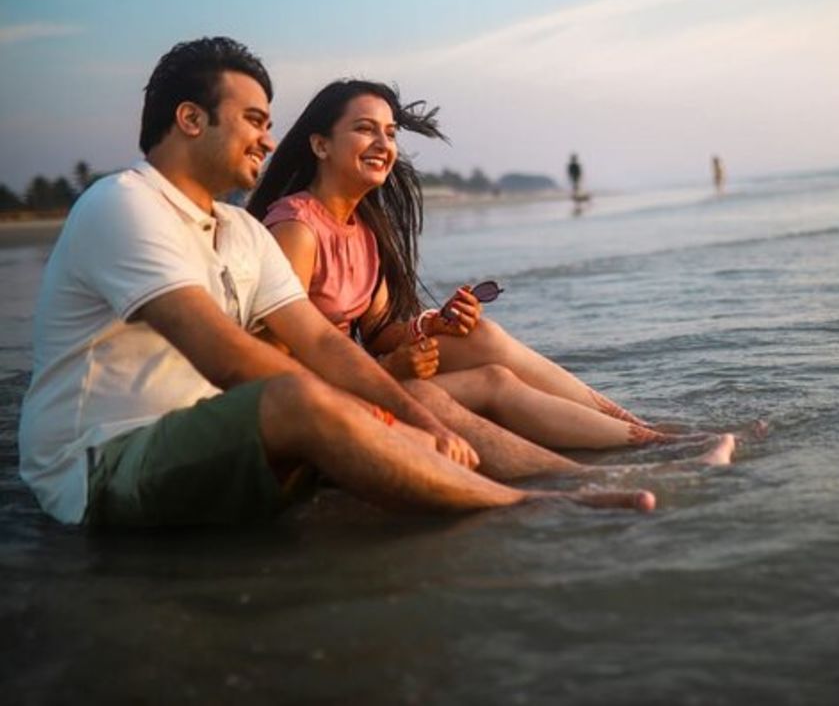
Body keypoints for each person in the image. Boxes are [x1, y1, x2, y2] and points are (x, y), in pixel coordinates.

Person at [17, 37, 655, 528]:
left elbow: (324, 344)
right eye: (254, 120)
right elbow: (229, 356)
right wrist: (385, 415)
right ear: (190, 118)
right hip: (100, 467)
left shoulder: (239, 230)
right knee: (305, 398)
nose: (268, 140)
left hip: (214, 439)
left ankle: (595, 470)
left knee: (418, 403)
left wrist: (415, 421)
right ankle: (531, 506)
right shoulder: (123, 205)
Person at [246, 80, 733, 458]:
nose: (382, 142)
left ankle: (641, 427)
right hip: (313, 395)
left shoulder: (363, 228)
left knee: (482, 337)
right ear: (320, 145)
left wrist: (430, 325)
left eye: (390, 133)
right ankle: (650, 446)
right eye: (364, 129)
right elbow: (273, 354)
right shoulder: (297, 229)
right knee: (495, 379)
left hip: (355, 374)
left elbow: (374, 331)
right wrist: (387, 371)